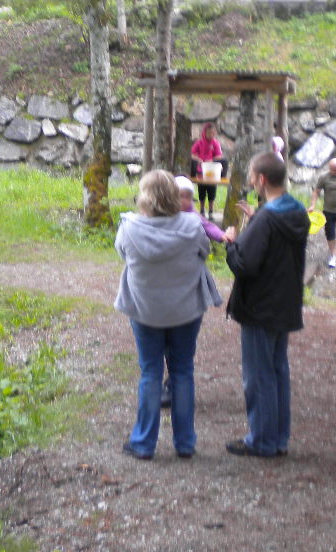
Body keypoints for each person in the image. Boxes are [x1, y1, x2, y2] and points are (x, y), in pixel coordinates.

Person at [115, 169, 222, 460]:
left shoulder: (129, 228)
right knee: (182, 371)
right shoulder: (192, 226)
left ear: (145, 196)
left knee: (151, 372)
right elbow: (204, 252)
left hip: (145, 309)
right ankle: (185, 442)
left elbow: (123, 254)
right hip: (186, 310)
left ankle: (144, 443)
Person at [222, 151, 309, 458]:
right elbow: (274, 248)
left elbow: (246, 264)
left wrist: (231, 243)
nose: (250, 182)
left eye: (250, 177)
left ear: (260, 180)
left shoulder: (268, 218)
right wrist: (255, 221)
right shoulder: (297, 212)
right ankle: (278, 439)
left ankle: (261, 440)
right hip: (285, 302)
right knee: (277, 371)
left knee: (259, 375)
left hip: (260, 306)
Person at [190, 122, 226, 217]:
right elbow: (192, 154)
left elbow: (219, 156)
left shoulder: (215, 143)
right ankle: (202, 210)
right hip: (201, 171)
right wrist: (199, 160)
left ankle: (210, 211)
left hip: (212, 171)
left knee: (212, 190)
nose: (211, 135)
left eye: (213, 133)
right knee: (202, 190)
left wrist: (212, 160)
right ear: (204, 133)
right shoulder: (199, 142)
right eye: (209, 133)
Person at [175, 175, 224, 243]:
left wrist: (221, 235)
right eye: (180, 196)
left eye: (188, 197)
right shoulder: (166, 212)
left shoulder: (193, 215)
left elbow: (207, 226)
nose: (184, 200)